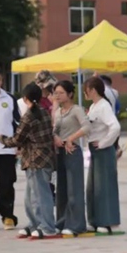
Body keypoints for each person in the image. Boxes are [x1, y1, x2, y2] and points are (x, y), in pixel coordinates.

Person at [0, 83, 57, 238]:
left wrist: (2, 139)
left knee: (41, 196)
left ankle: (47, 227)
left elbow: (18, 139)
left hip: (36, 161)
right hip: (38, 159)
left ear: (25, 99)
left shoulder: (29, 116)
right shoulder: (44, 112)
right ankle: (35, 224)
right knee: (30, 197)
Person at [64, 77, 121, 233]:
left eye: (86, 90)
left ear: (93, 90)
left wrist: (104, 143)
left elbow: (115, 127)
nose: (85, 94)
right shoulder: (94, 106)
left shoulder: (104, 106)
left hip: (104, 150)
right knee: (93, 187)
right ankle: (95, 220)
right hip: (95, 150)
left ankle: (108, 222)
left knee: (104, 187)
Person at [52, 80, 89, 236]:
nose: (58, 96)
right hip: (60, 152)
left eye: (61, 93)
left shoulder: (76, 110)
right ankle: (61, 222)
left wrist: (71, 139)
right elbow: (54, 130)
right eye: (56, 93)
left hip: (72, 151)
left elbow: (87, 127)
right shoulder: (57, 112)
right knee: (61, 190)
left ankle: (76, 224)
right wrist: (55, 137)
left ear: (70, 94)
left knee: (74, 190)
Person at [0, 65, 20, 230]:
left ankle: (8, 216)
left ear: (2, 80)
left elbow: (18, 123)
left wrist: (18, 144)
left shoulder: (9, 99)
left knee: (7, 183)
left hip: (6, 149)